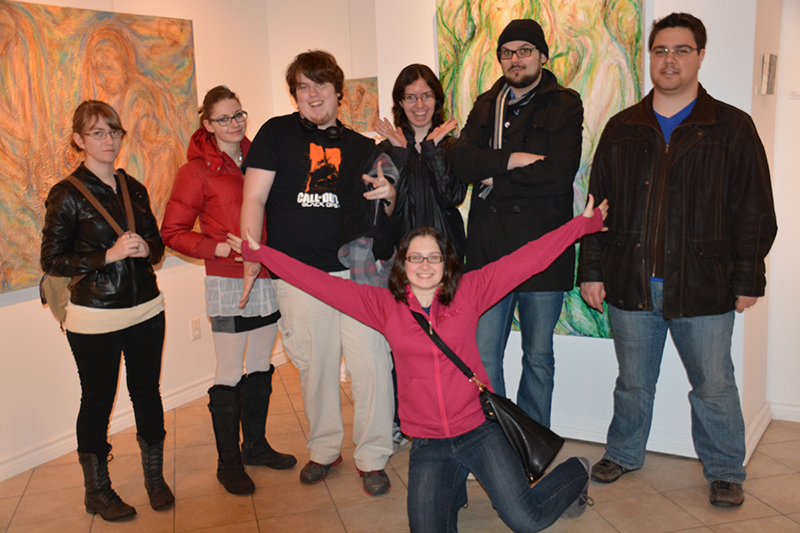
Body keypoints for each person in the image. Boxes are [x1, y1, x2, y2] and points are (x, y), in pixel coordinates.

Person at [242, 195, 607, 532]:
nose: (425, 265)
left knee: (527, 519)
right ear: (403, 263)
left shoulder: (470, 290)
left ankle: (576, 470)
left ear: (446, 262)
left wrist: (582, 225)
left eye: (434, 257)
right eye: (415, 257)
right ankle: (453, 489)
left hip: (479, 431)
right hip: (429, 443)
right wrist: (264, 255)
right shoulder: (384, 306)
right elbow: (320, 284)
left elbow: (529, 258)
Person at [577, 13, 777, 508]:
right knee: (633, 382)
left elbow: (755, 211)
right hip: (631, 280)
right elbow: (596, 210)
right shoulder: (622, 128)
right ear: (650, 57)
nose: (670, 60)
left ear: (700, 56)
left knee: (714, 386)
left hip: (704, 283)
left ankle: (725, 470)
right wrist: (592, 270)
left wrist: (748, 278)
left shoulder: (732, 127)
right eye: (661, 50)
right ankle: (623, 452)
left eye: (682, 50)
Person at [239, 50, 399, 496]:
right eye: (303, 87)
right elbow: (253, 198)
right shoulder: (275, 133)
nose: (312, 95)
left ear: (338, 91)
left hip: (359, 278)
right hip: (299, 277)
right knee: (315, 368)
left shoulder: (363, 148)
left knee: (371, 365)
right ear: (294, 93)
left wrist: (389, 195)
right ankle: (325, 450)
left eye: (320, 85)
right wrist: (252, 255)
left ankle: (373, 456)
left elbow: (386, 212)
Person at [40, 101, 173, 521]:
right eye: (98, 133)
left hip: (147, 308)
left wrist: (146, 248)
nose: (109, 140)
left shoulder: (134, 188)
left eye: (114, 131)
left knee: (147, 393)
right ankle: (97, 492)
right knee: (98, 400)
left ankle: (155, 478)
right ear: (79, 140)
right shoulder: (66, 195)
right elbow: (52, 261)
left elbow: (157, 248)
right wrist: (108, 255)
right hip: (94, 316)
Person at [161, 86, 297, 496]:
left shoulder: (261, 158)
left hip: (266, 275)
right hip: (226, 281)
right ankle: (229, 462)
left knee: (260, 364)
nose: (234, 124)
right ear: (208, 124)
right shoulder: (195, 172)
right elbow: (172, 232)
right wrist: (219, 248)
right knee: (229, 370)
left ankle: (255, 446)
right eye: (224, 118)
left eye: (239, 115)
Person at [450, 19, 585, 428]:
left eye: (525, 51)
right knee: (485, 355)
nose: (516, 59)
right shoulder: (485, 104)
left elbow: (559, 174)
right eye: (507, 52)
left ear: (542, 56)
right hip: (489, 251)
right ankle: (495, 438)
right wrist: (513, 160)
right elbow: (461, 162)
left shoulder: (565, 103)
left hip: (543, 251)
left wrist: (495, 178)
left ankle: (532, 442)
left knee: (538, 356)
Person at [374, 64, 467, 258]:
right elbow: (388, 207)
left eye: (426, 96)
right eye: (410, 97)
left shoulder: (452, 147)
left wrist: (432, 151)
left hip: (445, 254)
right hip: (400, 256)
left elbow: (451, 198)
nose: (419, 105)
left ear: (436, 99)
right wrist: (400, 154)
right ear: (400, 102)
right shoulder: (385, 151)